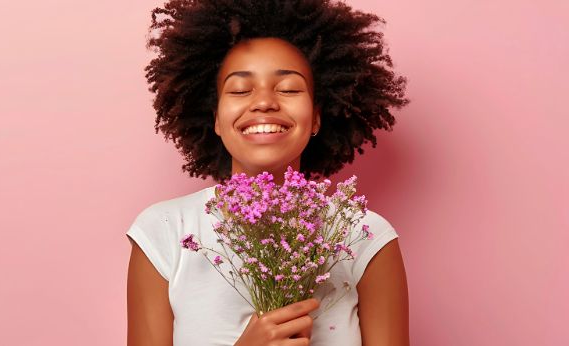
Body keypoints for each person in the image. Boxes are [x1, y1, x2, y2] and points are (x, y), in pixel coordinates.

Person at [126, 1, 411, 345]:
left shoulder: (366, 236)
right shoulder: (164, 231)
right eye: (239, 90)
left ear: (316, 117)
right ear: (216, 119)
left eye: (288, 89)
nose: (264, 102)